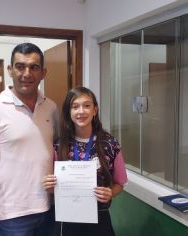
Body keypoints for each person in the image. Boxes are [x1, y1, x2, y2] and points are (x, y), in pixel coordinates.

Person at [0, 43, 59, 236]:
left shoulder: (51, 107)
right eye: (20, 66)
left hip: (50, 208)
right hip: (13, 215)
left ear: (43, 72)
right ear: (10, 70)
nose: (26, 73)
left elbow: (59, 152)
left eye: (34, 67)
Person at [42, 87, 128, 236]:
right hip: (67, 218)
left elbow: (120, 183)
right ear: (69, 112)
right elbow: (52, 186)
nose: (81, 111)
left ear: (95, 110)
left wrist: (110, 193)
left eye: (87, 105)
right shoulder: (59, 145)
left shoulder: (110, 144)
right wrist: (48, 185)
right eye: (75, 107)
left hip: (99, 217)